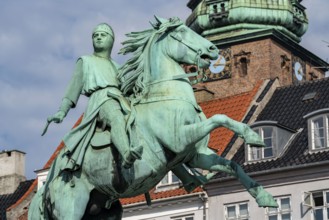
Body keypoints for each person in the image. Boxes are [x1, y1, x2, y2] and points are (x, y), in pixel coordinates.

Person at [47, 23, 142, 170]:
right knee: (116, 117)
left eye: (102, 35)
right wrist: (62, 111)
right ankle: (127, 154)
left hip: (121, 100)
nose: (98, 37)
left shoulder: (118, 67)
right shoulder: (85, 61)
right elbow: (73, 88)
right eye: (95, 35)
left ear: (111, 40)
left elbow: (127, 90)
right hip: (101, 99)